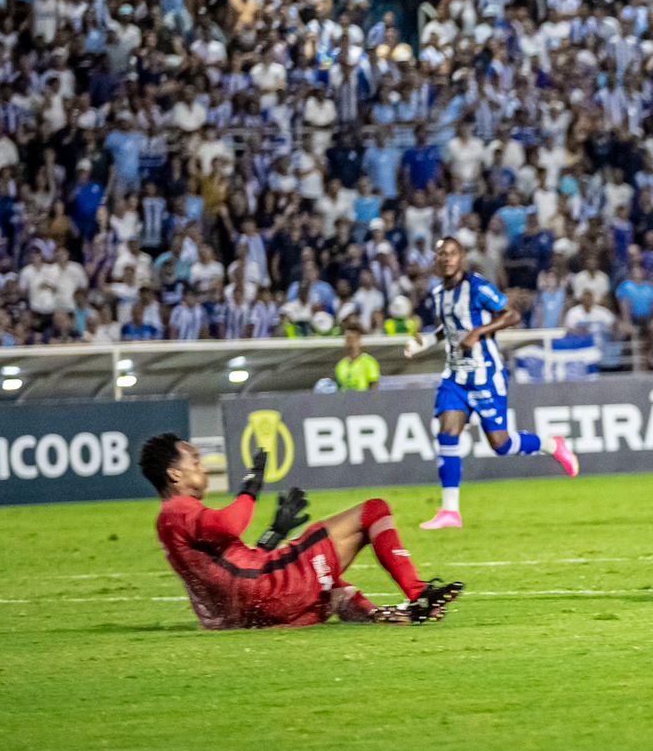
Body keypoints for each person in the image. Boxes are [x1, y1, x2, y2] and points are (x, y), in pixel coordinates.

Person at [145, 434, 462, 629]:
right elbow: (230, 525)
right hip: (269, 591)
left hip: (252, 614)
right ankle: (419, 592)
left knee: (333, 588)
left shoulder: (170, 521)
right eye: (195, 461)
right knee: (374, 511)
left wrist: (273, 534)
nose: (203, 467)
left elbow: (228, 569)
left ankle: (381, 617)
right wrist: (252, 485)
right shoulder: (179, 509)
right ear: (174, 474)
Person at [405, 236, 580, 530]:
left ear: (461, 257)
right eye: (441, 254)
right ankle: (450, 511)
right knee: (447, 432)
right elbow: (449, 327)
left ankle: (551, 444)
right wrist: (425, 342)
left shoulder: (476, 286)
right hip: (455, 376)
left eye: (451, 253)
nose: (446, 258)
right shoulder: (438, 293)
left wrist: (479, 332)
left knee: (501, 444)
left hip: (485, 374)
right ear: (436, 260)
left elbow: (512, 314)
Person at [335, 322, 380, 391]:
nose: (349, 343)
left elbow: (374, 388)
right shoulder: (340, 365)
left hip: (363, 397)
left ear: (359, 341)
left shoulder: (369, 362)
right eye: (347, 340)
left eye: (352, 340)